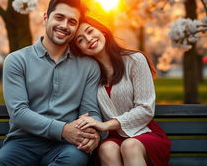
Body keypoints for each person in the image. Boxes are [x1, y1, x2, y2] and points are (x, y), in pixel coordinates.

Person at [0, 0, 102, 166]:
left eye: (72, 22)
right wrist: (62, 130)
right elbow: (18, 113)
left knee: (73, 161)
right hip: (23, 143)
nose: (64, 25)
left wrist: (94, 135)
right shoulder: (17, 60)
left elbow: (90, 112)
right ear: (46, 18)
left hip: (66, 146)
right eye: (59, 17)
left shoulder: (89, 66)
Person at [71, 16, 171, 166]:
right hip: (111, 138)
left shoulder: (135, 60)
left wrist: (107, 125)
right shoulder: (89, 75)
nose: (89, 39)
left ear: (102, 31)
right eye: (80, 40)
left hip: (143, 133)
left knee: (129, 145)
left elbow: (145, 109)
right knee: (106, 148)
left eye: (90, 31)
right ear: (79, 49)